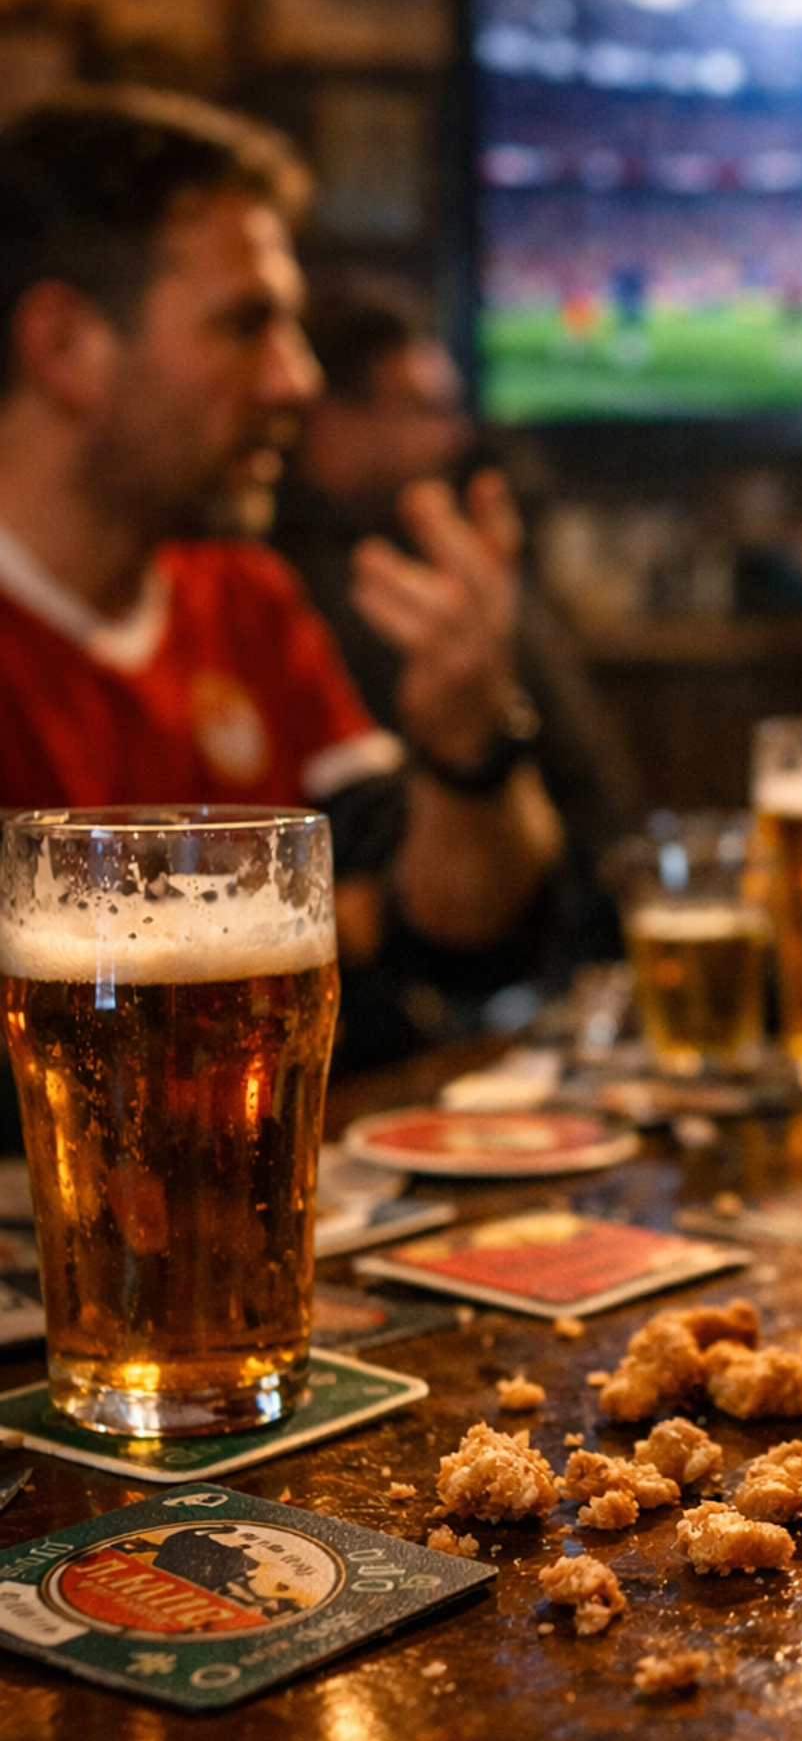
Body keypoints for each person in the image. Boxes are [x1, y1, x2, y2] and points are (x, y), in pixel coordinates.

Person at [0, 87, 563, 1071]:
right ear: (65, 347)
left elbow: (457, 924)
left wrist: (470, 738)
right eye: (246, 324)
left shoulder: (243, 595)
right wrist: (337, 922)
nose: (297, 381)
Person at [269, 273, 638, 1013]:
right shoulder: (315, 586)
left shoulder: (419, 562)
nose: (458, 433)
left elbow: (429, 904)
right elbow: (402, 912)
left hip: (559, 952)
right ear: (332, 423)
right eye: (425, 409)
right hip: (512, 989)